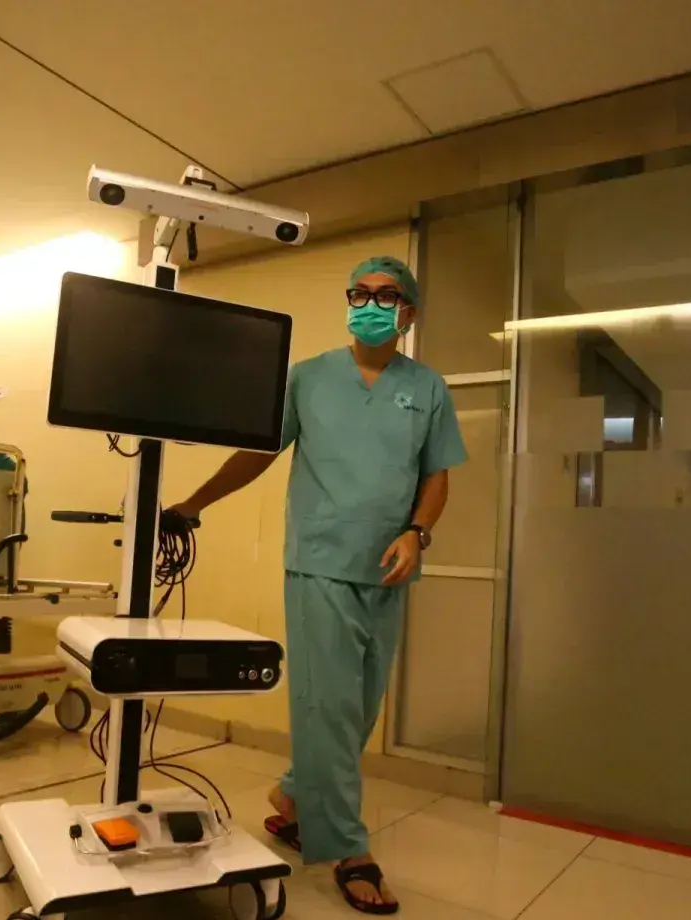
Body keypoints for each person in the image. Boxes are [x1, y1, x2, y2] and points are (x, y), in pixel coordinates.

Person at [170, 255, 466, 914]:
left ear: (408, 312)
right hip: (320, 564)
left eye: (387, 295)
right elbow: (259, 451)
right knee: (328, 708)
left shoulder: (427, 388)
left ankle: (295, 795)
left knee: (358, 709)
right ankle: (347, 848)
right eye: (360, 293)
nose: (371, 304)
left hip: (387, 569)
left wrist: (417, 533)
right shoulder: (307, 378)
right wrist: (194, 503)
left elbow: (437, 474)